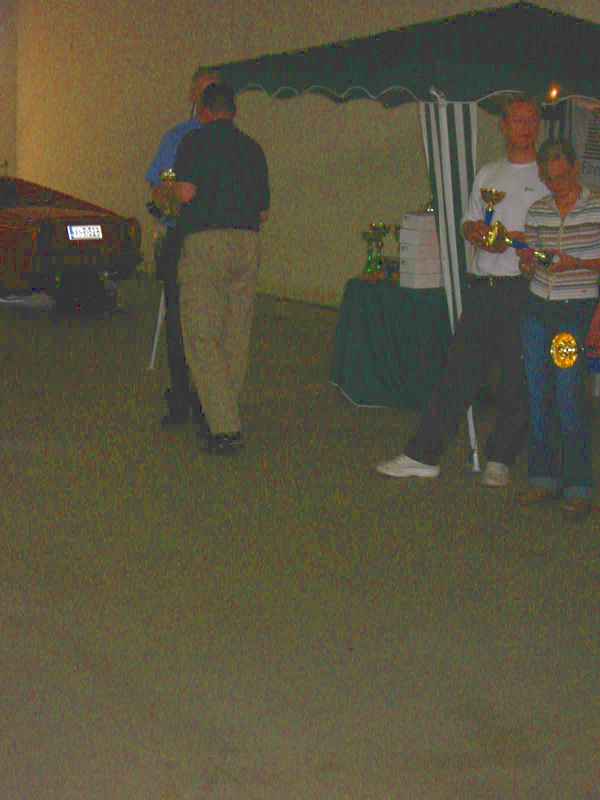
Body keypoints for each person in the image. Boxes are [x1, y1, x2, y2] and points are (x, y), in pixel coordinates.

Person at [376, 95, 547, 486]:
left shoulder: (545, 177)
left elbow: (551, 236)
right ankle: (423, 454)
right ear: (503, 125)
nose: (525, 127)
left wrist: (517, 242)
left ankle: (500, 459)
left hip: (524, 289)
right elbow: (469, 222)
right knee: (458, 373)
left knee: (516, 378)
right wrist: (478, 234)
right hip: (484, 287)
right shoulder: (488, 173)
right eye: (517, 120)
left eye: (531, 120)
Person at [172, 83, 270, 455]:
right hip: (247, 241)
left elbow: (185, 193)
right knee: (235, 333)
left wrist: (168, 192)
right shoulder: (253, 148)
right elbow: (263, 211)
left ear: (204, 111)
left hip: (207, 241)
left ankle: (225, 427)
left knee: (202, 334)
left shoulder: (194, 143)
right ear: (233, 110)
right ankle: (224, 408)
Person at [517, 138, 600, 520]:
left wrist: (576, 264)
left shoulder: (596, 208)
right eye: (549, 180)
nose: (556, 186)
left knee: (569, 397)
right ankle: (543, 478)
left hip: (573, 311)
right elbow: (532, 260)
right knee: (538, 396)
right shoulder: (538, 210)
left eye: (562, 178)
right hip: (537, 310)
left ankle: (579, 486)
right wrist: (527, 263)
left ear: (575, 169)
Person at [145, 67, 220, 428]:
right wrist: (168, 199)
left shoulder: (230, 140)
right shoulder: (176, 138)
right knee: (178, 322)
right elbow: (159, 186)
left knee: (214, 323)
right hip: (182, 237)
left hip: (217, 240)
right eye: (202, 91)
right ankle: (180, 396)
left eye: (214, 91)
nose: (207, 99)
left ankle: (211, 399)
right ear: (193, 96)